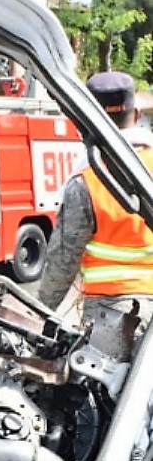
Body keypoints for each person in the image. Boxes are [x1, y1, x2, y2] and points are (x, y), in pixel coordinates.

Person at [38, 71, 153, 332]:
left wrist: (40, 314)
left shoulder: (86, 181)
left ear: (86, 123)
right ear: (136, 116)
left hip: (114, 316)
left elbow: (62, 262)